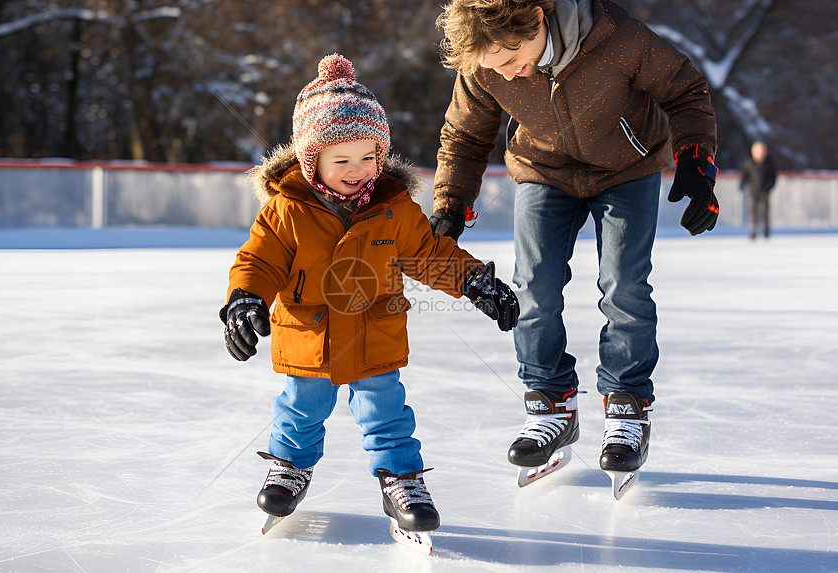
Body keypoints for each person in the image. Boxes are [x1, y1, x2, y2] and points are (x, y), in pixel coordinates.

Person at [220, 53, 519, 533]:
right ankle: (289, 467)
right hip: (309, 338)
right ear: (310, 159)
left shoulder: (393, 209)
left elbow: (429, 253)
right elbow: (258, 260)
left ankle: (402, 480)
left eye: (368, 158)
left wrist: (474, 280)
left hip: (372, 336)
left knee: (387, 413)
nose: (358, 170)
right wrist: (245, 298)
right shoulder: (286, 211)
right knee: (300, 407)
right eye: (342, 160)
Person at [430, 0, 719, 482]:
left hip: (626, 169)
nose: (508, 73)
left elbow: (686, 89)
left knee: (623, 285)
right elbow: (464, 135)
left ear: (538, 19)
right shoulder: (484, 64)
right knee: (533, 287)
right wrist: (452, 201)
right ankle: (550, 402)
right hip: (543, 171)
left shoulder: (617, 38)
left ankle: (626, 404)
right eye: (494, 68)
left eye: (511, 58)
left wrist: (695, 156)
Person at [739, 140, 777, 239]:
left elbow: (773, 177)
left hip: (764, 191)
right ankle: (753, 231)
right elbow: (745, 175)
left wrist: (768, 188)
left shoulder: (769, 162)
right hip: (753, 191)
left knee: (765, 212)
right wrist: (742, 185)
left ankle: (766, 232)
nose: (760, 154)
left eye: (762, 152)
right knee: (752, 212)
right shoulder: (748, 162)